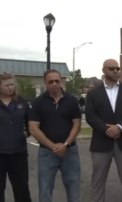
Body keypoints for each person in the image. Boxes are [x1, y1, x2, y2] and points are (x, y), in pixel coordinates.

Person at [85, 59, 122, 202]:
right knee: (98, 181)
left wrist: (120, 127)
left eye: (117, 68)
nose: (115, 71)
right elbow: (90, 115)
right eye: (111, 68)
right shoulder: (93, 93)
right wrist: (106, 129)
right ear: (104, 70)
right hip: (101, 142)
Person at [29, 69, 82, 202]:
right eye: (50, 81)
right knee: (45, 189)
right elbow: (33, 129)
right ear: (45, 83)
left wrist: (65, 145)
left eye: (57, 81)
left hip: (70, 152)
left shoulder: (72, 100)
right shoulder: (38, 102)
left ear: (61, 82)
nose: (54, 84)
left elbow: (77, 125)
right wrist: (53, 146)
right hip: (47, 153)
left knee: (74, 188)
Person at [0, 72, 32, 202]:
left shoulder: (21, 102)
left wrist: (26, 133)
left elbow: (31, 122)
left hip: (19, 153)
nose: (10, 87)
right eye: (6, 85)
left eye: (12, 84)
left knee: (21, 188)